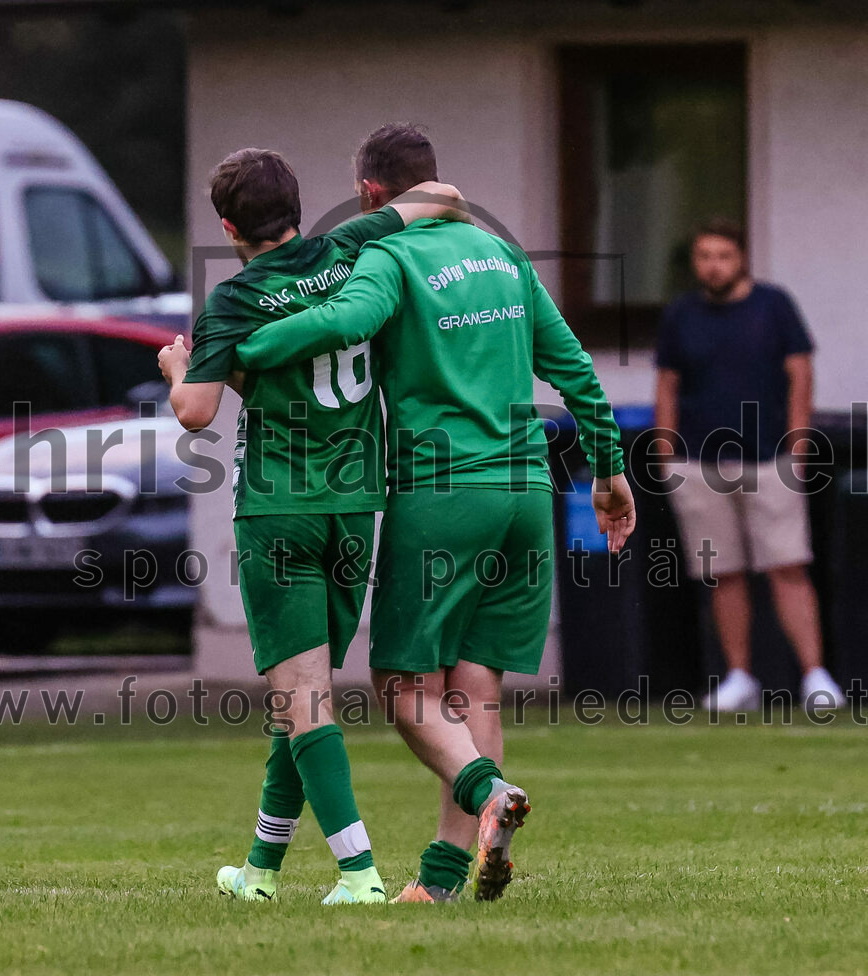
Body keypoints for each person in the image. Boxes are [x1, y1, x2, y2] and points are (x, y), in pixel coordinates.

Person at [234, 124, 636, 903]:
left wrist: (235, 349)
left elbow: (344, 325)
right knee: (474, 683)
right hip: (527, 492)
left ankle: (487, 790)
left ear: (371, 195)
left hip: (445, 492)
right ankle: (445, 876)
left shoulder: (386, 256)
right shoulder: (499, 253)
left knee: (402, 683)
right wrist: (610, 473)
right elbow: (575, 368)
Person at [158, 147, 463, 904]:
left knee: (302, 697)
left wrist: (177, 370)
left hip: (280, 509)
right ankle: (259, 871)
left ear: (228, 225)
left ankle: (357, 873)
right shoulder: (348, 247)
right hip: (356, 506)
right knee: (303, 696)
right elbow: (444, 195)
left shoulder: (232, 300)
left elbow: (195, 413)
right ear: (295, 207)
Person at [654, 218, 845, 712]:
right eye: (703, 256)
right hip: (698, 462)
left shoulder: (773, 306)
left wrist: (798, 446)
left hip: (769, 459)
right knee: (723, 573)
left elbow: (800, 374)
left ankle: (814, 675)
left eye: (722, 255)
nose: (712, 266)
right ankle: (740, 677)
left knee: (787, 565)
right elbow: (668, 384)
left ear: (741, 258)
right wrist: (665, 449)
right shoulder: (681, 316)